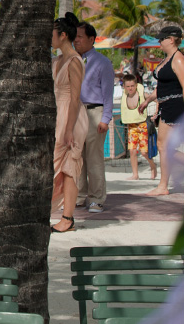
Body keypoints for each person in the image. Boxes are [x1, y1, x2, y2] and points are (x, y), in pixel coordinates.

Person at [51, 13, 88, 232]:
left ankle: (68, 217)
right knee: (59, 166)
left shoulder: (74, 60)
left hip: (71, 115)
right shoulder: (57, 60)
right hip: (59, 112)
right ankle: (64, 215)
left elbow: (75, 98)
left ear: (63, 35)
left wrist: (69, 128)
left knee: (69, 167)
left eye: (53, 33)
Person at [73, 21, 114, 214]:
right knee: (77, 158)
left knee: (94, 158)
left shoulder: (102, 62)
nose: (76, 40)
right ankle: (80, 196)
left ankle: (97, 198)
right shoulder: (71, 60)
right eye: (75, 36)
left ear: (91, 39)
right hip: (76, 113)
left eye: (80, 36)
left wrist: (105, 118)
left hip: (94, 111)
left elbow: (108, 93)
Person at [139, 26, 184, 196]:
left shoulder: (178, 59)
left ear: (171, 39)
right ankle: (163, 185)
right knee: (165, 146)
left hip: (175, 105)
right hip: (166, 105)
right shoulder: (168, 59)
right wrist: (148, 100)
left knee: (163, 146)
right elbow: (163, 86)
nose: (159, 42)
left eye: (161, 39)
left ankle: (163, 186)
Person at [120, 73, 157, 181]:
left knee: (144, 152)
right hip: (131, 126)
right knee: (132, 150)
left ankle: (152, 166)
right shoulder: (124, 95)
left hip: (143, 125)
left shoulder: (142, 93)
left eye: (132, 86)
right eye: (128, 86)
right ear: (124, 87)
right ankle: (135, 174)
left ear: (136, 85)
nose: (130, 88)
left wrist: (155, 113)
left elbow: (155, 100)